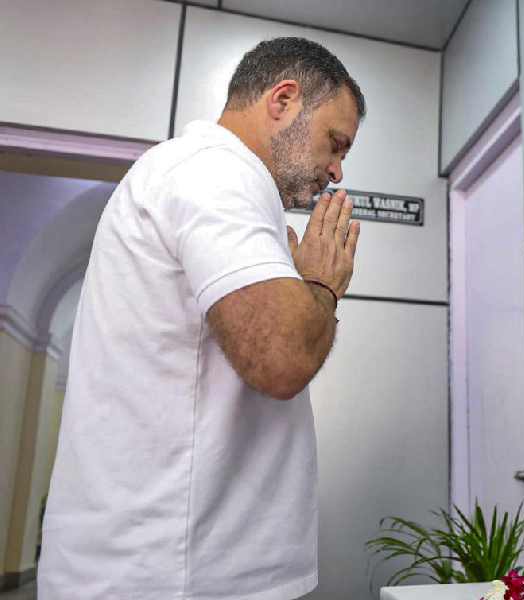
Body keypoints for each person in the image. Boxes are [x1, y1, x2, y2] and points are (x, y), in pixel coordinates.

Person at [37, 37, 364, 599]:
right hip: (171, 576)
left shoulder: (206, 176)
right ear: (283, 100)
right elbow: (281, 359)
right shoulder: (217, 174)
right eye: (335, 144)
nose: (335, 171)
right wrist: (321, 284)